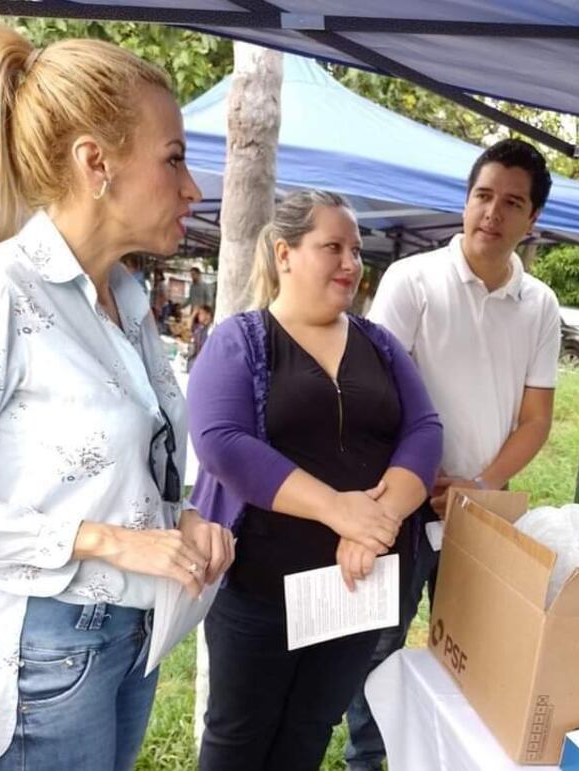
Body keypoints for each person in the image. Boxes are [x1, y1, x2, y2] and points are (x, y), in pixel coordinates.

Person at [0, 10, 234, 771]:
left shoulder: (127, 302)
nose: (193, 186)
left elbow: (120, 470)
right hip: (53, 649)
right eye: (174, 160)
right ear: (95, 162)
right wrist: (107, 539)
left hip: (133, 636)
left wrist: (185, 522)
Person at [187, 189, 443, 771]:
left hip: (353, 586)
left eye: (356, 250)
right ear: (285, 253)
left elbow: (424, 430)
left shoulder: (378, 343)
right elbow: (223, 444)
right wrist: (337, 510)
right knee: (238, 737)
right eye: (333, 247)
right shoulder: (242, 340)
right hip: (259, 587)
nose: (351, 263)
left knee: (310, 730)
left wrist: (375, 524)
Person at [344, 138, 561, 771]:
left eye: (511, 203)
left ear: (532, 220)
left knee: (474, 651)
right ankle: (368, 760)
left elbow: (536, 418)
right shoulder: (414, 280)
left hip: (481, 514)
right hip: (402, 502)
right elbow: (374, 391)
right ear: (466, 202)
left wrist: (482, 484)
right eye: (482, 196)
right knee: (378, 644)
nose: (492, 213)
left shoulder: (540, 305)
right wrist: (420, 474)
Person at [188, 303, 213, 370]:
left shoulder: (211, 329)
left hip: (204, 361)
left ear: (207, 315)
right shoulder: (199, 327)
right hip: (196, 358)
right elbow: (189, 327)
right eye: (198, 314)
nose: (198, 316)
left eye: (201, 314)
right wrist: (193, 314)